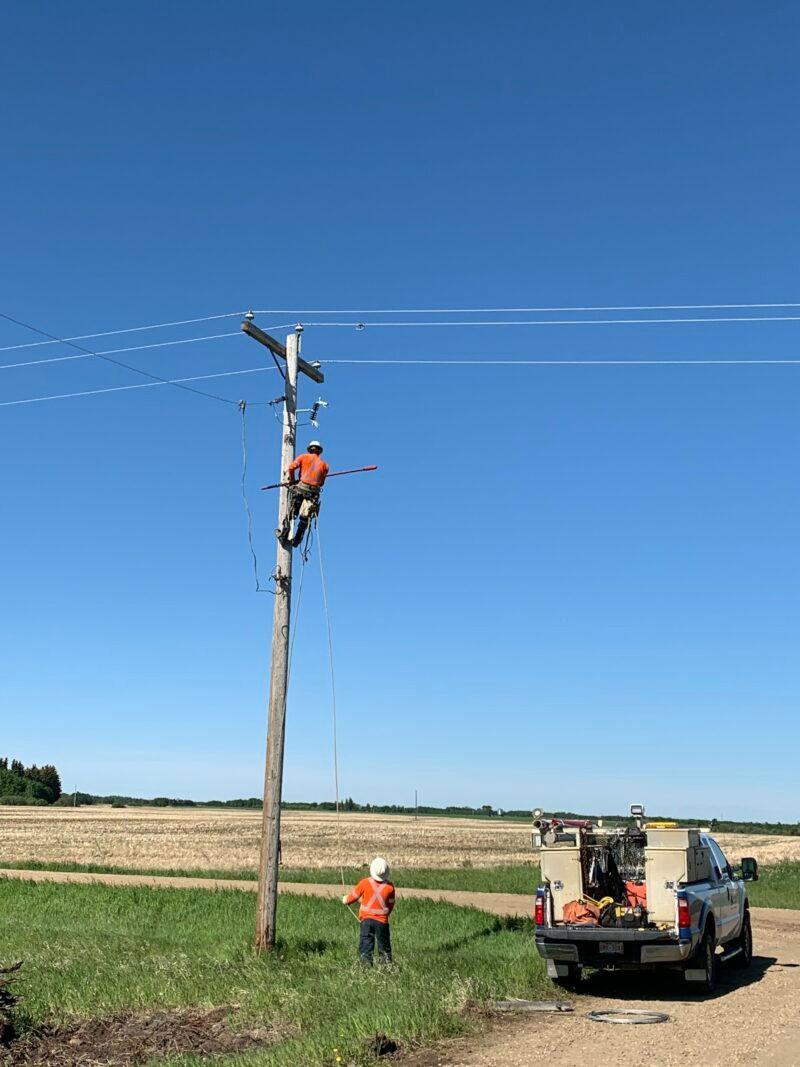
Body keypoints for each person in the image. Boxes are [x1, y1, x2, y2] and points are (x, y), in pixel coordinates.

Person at [342, 856, 395, 965]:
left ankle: (366, 966)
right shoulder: (390, 887)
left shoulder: (365, 883)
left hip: (366, 921)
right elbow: (390, 905)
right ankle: (386, 966)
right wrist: (385, 915)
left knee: (366, 945)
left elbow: (353, 896)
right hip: (382, 922)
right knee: (384, 946)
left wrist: (346, 900)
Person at [279, 440, 329, 548]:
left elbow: (291, 467)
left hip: (301, 489)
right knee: (305, 518)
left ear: (310, 449)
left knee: (292, 512)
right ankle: (297, 540)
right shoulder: (325, 465)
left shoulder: (303, 457)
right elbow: (321, 483)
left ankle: (284, 534)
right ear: (319, 451)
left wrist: (292, 480)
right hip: (313, 494)